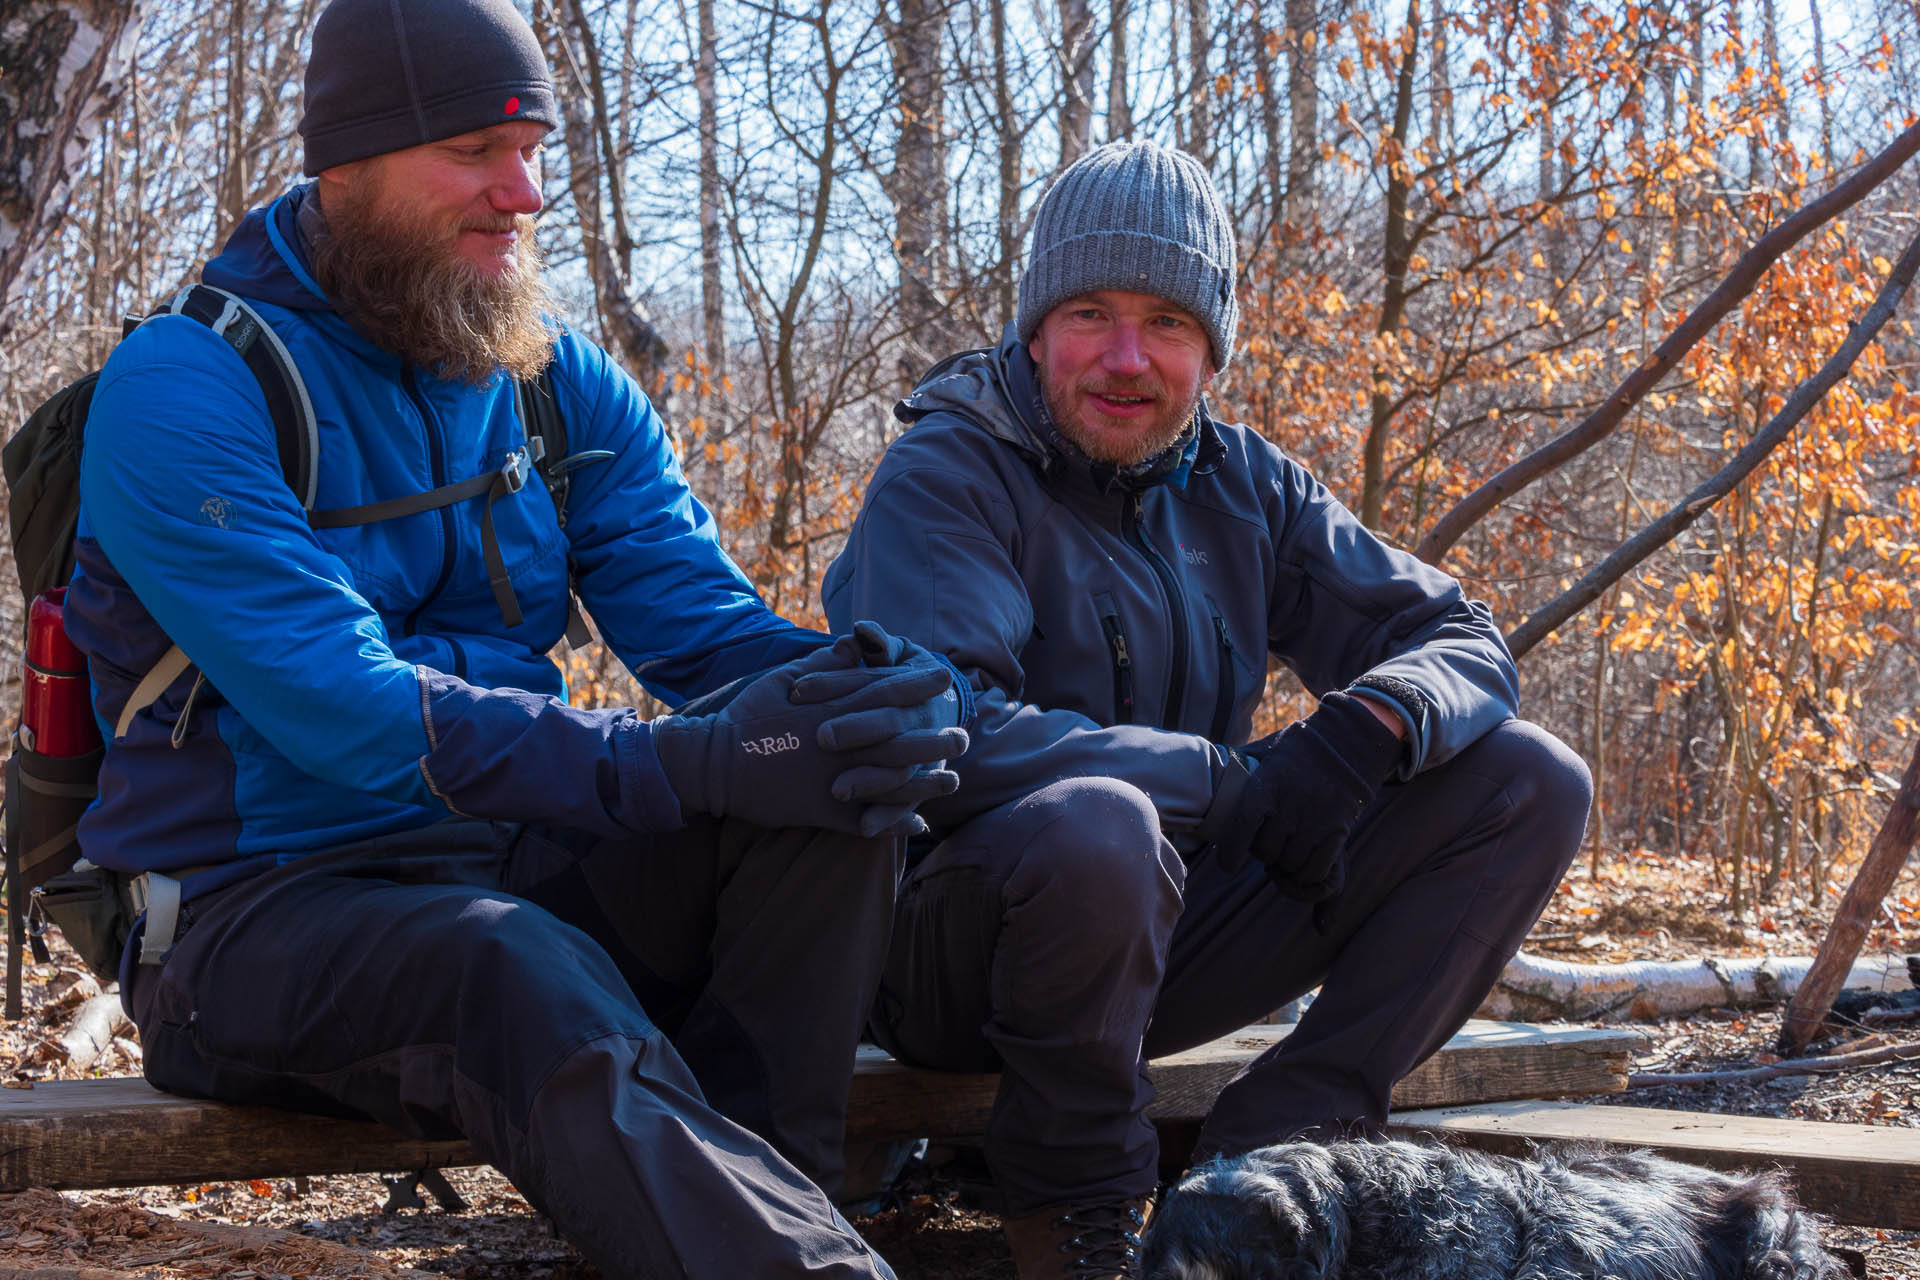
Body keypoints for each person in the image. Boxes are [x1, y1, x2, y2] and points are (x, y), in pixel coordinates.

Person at [64, 0, 970, 1275]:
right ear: (349, 160)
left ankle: (785, 1221)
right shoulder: (182, 386)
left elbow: (708, 639)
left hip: (497, 867)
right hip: (248, 920)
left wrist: (868, 697)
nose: (523, 192)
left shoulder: (551, 381)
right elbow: (346, 706)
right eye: (475, 152)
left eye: (534, 146)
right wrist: (679, 764)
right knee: (509, 960)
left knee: (819, 800)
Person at [822, 140, 1593, 1280]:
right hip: (949, 952)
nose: (1127, 358)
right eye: (1091, 312)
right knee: (1102, 823)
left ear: (1211, 346)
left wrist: (1368, 727)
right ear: (1036, 328)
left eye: (1169, 323)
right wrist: (1234, 784)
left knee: (1529, 780)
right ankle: (1075, 1202)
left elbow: (1462, 639)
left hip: (1170, 928)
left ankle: (1280, 1144)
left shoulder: (1248, 485)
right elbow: (944, 729)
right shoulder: (951, 473)